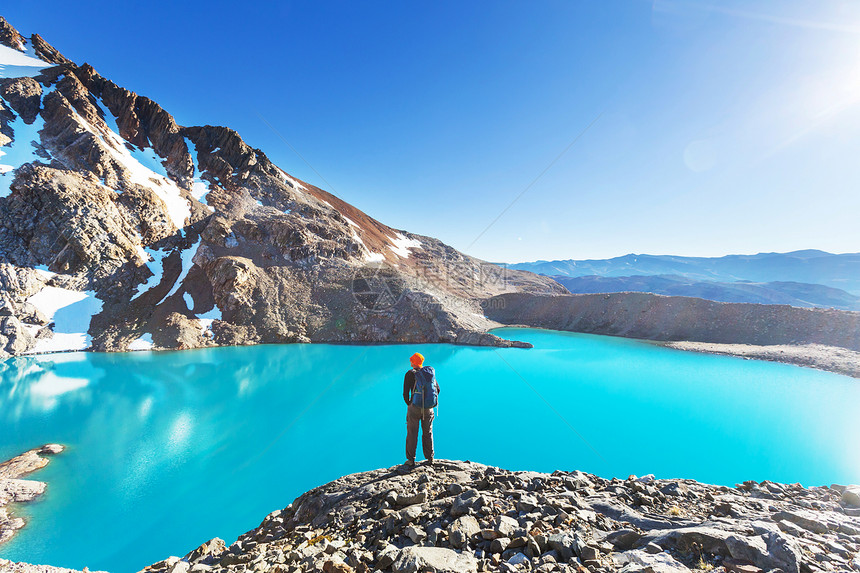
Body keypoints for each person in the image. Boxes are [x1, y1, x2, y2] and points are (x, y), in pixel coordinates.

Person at [403, 352, 440, 467]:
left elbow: (405, 394)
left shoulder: (410, 374)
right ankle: (430, 458)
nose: (410, 361)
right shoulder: (429, 373)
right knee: (428, 432)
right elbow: (438, 389)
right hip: (429, 409)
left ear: (414, 362)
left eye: (411, 360)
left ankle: (411, 460)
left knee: (412, 433)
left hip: (415, 408)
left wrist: (410, 404)